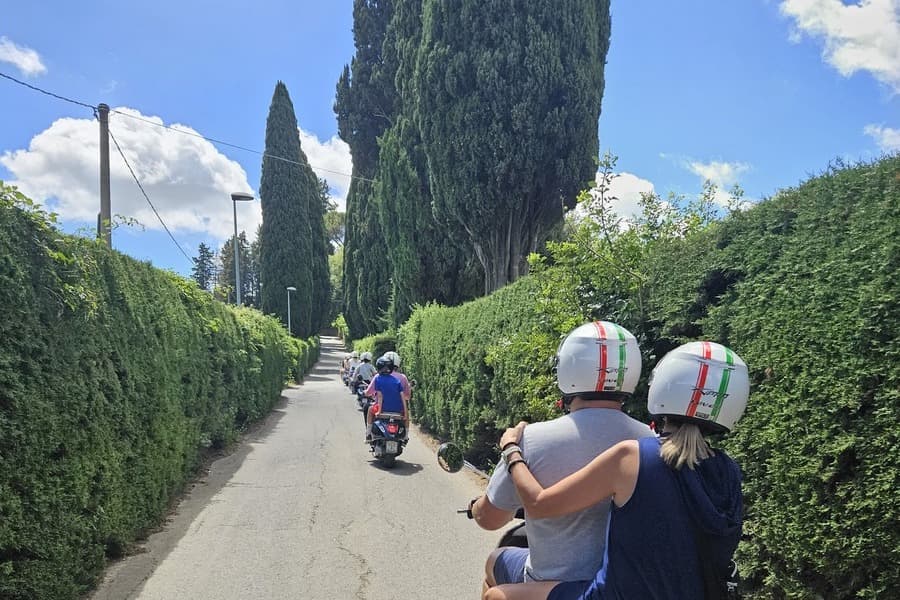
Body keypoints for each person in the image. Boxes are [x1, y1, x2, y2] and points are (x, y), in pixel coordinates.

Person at [487, 341, 749, 600]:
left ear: (663, 385)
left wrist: (511, 449)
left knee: (498, 594)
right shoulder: (729, 473)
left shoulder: (634, 456)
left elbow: (539, 504)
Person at [470, 321, 655, 593]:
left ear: (567, 368)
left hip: (546, 586)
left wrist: (476, 507)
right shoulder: (652, 445)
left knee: (493, 562)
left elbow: (491, 519)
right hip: (621, 588)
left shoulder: (529, 439)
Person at [364, 354, 410, 441]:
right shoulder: (399, 379)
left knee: (370, 409)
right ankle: (406, 435)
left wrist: (379, 411)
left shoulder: (378, 378)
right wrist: (405, 413)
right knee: (407, 415)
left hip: (382, 409)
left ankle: (368, 434)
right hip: (398, 410)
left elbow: (379, 396)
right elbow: (404, 397)